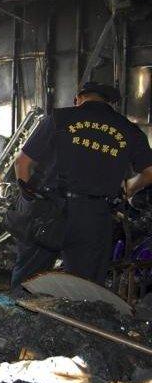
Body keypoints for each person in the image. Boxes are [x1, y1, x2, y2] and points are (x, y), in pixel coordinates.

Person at [11, 82, 152, 287]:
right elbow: (149, 172)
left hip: (49, 210)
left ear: (78, 98)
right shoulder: (129, 130)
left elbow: (21, 163)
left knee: (28, 280)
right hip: (95, 217)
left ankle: (18, 315)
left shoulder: (59, 119)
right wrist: (128, 188)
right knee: (85, 288)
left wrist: (28, 201)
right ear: (110, 104)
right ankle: (75, 318)